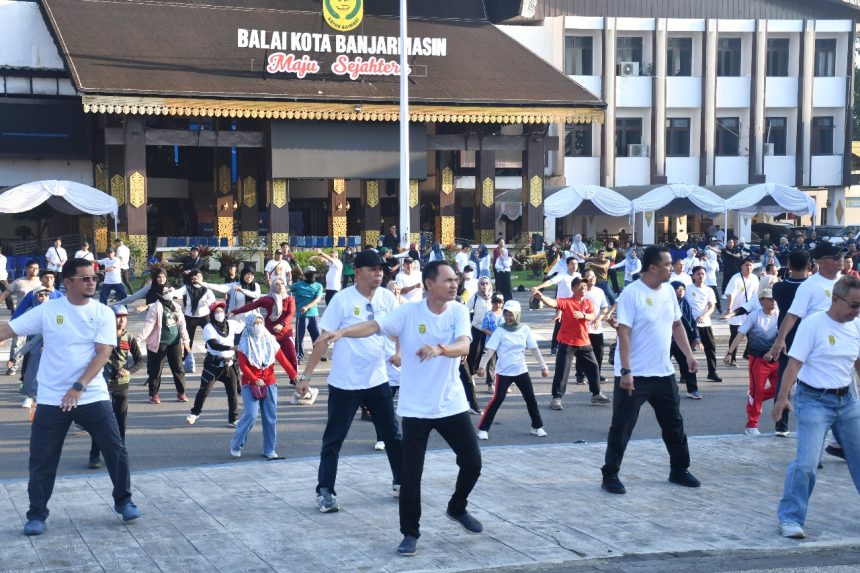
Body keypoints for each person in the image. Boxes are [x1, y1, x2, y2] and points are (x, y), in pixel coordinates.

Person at [315, 260, 482, 557]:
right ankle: (410, 533)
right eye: (447, 280)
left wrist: (440, 349)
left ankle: (457, 507)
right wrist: (342, 333)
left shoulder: (457, 311)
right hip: (416, 408)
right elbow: (374, 326)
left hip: (451, 404)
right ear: (430, 284)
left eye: (455, 280)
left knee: (472, 462)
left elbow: (464, 346)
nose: (454, 284)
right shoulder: (408, 312)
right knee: (410, 476)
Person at [0, 258, 139, 536]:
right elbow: (9, 329)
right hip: (52, 399)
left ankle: (124, 501)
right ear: (68, 282)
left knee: (115, 448)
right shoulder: (49, 310)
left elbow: (103, 354)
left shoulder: (102, 313)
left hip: (90, 395)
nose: (92, 282)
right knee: (41, 458)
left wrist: (78, 387)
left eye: (93, 278)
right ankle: (37, 515)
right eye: (85, 278)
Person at [297, 249, 402, 512]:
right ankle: (325, 491)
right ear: (357, 272)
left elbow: (398, 328)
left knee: (392, 434)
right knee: (334, 438)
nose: (379, 273)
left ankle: (402, 480)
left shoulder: (388, 297)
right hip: (345, 383)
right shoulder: (342, 300)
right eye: (373, 269)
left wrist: (398, 352)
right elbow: (323, 340)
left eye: (381, 269)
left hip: (377, 379)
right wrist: (306, 376)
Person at [601, 246, 701, 495]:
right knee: (622, 425)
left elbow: (677, 325)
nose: (673, 267)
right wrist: (625, 371)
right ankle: (610, 474)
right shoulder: (631, 294)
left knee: (674, 424)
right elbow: (623, 332)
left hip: (663, 372)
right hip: (634, 375)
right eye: (668, 264)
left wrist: (688, 355)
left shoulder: (668, 290)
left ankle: (679, 470)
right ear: (653, 268)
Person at [772, 275, 860, 539]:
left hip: (847, 402)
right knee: (807, 464)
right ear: (835, 299)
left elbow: (857, 363)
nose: (856, 311)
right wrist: (782, 399)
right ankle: (790, 518)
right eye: (853, 305)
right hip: (813, 401)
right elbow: (794, 364)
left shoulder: (856, 325)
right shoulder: (813, 325)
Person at [767, 242, 846, 454]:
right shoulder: (809, 286)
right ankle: (811, 448)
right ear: (819, 262)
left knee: (843, 398)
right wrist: (779, 339)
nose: (840, 259)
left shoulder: (846, 283)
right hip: (813, 351)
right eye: (835, 256)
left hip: (842, 352)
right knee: (814, 397)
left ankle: (838, 443)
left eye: (841, 256)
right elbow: (792, 315)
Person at [532, 277, 610, 410]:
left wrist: (584, 315)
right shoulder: (567, 302)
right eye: (580, 285)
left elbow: (592, 315)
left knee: (594, 367)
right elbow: (553, 303)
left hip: (584, 342)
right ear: (573, 288)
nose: (583, 288)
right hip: (567, 342)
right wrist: (541, 297)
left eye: (585, 286)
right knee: (562, 372)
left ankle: (596, 394)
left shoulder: (587, 302)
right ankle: (556, 398)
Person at [475, 299, 549, 440]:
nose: (508, 318)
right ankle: (483, 429)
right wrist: (481, 366)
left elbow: (534, 349)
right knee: (497, 399)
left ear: (517, 315)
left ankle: (537, 426)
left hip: (521, 370)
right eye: (506, 314)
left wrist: (543, 366)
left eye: (511, 315)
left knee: (530, 399)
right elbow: (490, 350)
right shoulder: (500, 331)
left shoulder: (525, 329)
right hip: (504, 372)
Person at [231, 313, 299, 460]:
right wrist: (254, 379)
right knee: (251, 414)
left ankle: (269, 449)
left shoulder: (270, 340)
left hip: (269, 383)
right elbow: (243, 365)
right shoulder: (244, 343)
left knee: (270, 418)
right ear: (249, 325)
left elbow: (283, 360)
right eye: (255, 323)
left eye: (260, 322)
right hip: (250, 384)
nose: (258, 326)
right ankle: (237, 443)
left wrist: (294, 376)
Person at [88, 305, 143, 469]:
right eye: (118, 317)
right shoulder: (101, 337)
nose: (121, 321)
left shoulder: (129, 337)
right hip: (102, 385)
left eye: (124, 317)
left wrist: (129, 370)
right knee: (100, 421)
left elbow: (140, 360)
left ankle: (119, 452)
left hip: (121, 385)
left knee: (120, 420)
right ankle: (94, 454)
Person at [724, 288, 780, 435]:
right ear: (761, 301)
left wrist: (773, 351)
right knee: (757, 392)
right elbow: (740, 335)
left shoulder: (780, 315)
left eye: (774, 299)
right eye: (769, 299)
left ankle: (755, 396)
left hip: (775, 360)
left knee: (779, 389)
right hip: (758, 360)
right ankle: (751, 425)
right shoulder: (754, 316)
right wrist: (730, 352)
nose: (773, 301)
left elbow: (783, 336)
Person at [768, 250, 811, 436]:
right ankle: (808, 422)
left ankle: (781, 423)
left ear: (789, 265)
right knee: (808, 381)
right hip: (808, 335)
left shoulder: (779, 287)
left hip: (786, 336)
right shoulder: (811, 286)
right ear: (810, 265)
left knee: (784, 378)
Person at [185, 301, 241, 427]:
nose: (219, 313)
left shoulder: (231, 324)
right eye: (216, 312)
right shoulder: (209, 327)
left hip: (229, 364)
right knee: (204, 391)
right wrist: (232, 348)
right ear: (212, 314)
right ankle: (195, 413)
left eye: (221, 311)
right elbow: (213, 345)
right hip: (213, 365)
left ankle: (233, 419)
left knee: (232, 393)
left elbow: (245, 326)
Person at [230, 277, 300, 375]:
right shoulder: (268, 299)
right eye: (277, 284)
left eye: (282, 284)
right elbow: (251, 306)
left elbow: (290, 313)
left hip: (285, 333)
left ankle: (295, 378)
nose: (280, 286)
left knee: (292, 356)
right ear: (272, 286)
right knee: (268, 358)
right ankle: (266, 377)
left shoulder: (289, 299)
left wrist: (281, 324)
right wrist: (235, 312)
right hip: (269, 333)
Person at [139, 283, 191, 404]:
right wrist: (138, 339)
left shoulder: (176, 307)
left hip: (175, 342)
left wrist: (186, 340)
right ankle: (153, 395)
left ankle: (181, 393)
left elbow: (182, 325)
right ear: (160, 295)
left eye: (170, 291)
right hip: (159, 343)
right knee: (155, 370)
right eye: (166, 292)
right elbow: (148, 325)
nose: (169, 294)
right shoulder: (155, 307)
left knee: (178, 368)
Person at [0, 261, 44, 374]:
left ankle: (36, 369)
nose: (34, 270)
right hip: (22, 317)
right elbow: (6, 293)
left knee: (37, 343)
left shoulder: (41, 282)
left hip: (39, 318)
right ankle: (13, 367)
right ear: (26, 268)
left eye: (36, 268)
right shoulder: (19, 282)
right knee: (17, 343)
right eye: (32, 268)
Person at [533, 257, 581, 356]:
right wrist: (538, 287)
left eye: (576, 264)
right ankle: (554, 346)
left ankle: (573, 345)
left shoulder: (578, 276)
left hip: (574, 304)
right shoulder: (562, 275)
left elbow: (584, 287)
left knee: (575, 325)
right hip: (562, 305)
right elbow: (550, 282)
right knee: (559, 325)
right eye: (572, 264)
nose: (574, 266)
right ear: (567, 265)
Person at [16, 288, 51, 409]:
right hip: (34, 346)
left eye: (47, 294)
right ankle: (30, 396)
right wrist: (18, 353)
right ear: (35, 297)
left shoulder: (56, 311)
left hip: (54, 347)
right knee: (33, 373)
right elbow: (17, 329)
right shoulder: (30, 311)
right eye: (41, 295)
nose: (44, 297)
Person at [206, 266, 261, 342]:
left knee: (251, 346)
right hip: (237, 321)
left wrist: (242, 291)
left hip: (252, 321)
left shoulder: (256, 286)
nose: (249, 276)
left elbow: (256, 295)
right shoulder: (235, 286)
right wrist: (202, 283)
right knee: (237, 344)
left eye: (252, 274)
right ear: (243, 275)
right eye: (247, 274)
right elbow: (218, 287)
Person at [685, 266, 721, 382]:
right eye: (698, 274)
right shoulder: (687, 289)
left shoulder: (709, 290)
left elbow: (711, 306)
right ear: (693, 276)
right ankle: (684, 374)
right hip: (691, 325)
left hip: (705, 324)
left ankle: (712, 372)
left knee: (710, 349)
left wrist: (704, 315)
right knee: (687, 350)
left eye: (703, 274)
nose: (701, 276)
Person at [723, 258, 760, 366]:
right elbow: (731, 294)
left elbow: (756, 295)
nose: (748, 267)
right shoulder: (736, 278)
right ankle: (732, 358)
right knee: (735, 335)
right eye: (746, 265)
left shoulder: (754, 278)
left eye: (750, 265)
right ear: (742, 266)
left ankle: (747, 354)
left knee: (752, 334)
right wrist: (729, 309)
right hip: (737, 312)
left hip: (750, 311)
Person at [576, 270, 611, 383]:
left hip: (596, 327)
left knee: (599, 352)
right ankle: (580, 375)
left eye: (593, 276)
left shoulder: (599, 291)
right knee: (582, 353)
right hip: (583, 327)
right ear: (584, 279)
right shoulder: (580, 292)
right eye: (589, 276)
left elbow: (604, 308)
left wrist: (598, 319)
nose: (592, 278)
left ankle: (597, 373)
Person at [172, 269, 216, 353]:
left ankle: (212, 352)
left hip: (204, 316)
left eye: (200, 276)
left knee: (210, 335)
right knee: (188, 338)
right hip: (190, 316)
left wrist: (207, 302)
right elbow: (178, 293)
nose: (198, 278)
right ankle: (186, 356)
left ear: (202, 278)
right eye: (196, 276)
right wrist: (170, 291)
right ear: (193, 278)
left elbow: (212, 298)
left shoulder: (206, 287)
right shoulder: (187, 287)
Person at [670, 281, 701, 399]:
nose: (680, 290)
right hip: (667, 340)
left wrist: (696, 337)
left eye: (682, 288)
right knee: (659, 366)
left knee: (688, 364)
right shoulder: (667, 304)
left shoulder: (686, 304)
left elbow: (692, 322)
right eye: (677, 288)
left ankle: (693, 390)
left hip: (681, 341)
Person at [466, 277, 495, 392]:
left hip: (491, 331)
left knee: (491, 356)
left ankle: (491, 383)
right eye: (482, 283)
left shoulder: (494, 297)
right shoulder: (475, 297)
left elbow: (501, 310)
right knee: (474, 354)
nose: (484, 285)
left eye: (487, 283)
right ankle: (471, 377)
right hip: (477, 329)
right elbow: (465, 310)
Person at [292, 266, 324, 363]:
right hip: (301, 315)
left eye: (313, 273)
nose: (312, 275)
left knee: (317, 336)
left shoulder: (319, 286)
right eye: (310, 273)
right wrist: (277, 284)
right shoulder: (298, 285)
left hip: (313, 314)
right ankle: (299, 356)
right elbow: (285, 289)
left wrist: (307, 307)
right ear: (306, 275)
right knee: (300, 338)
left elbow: (317, 299)